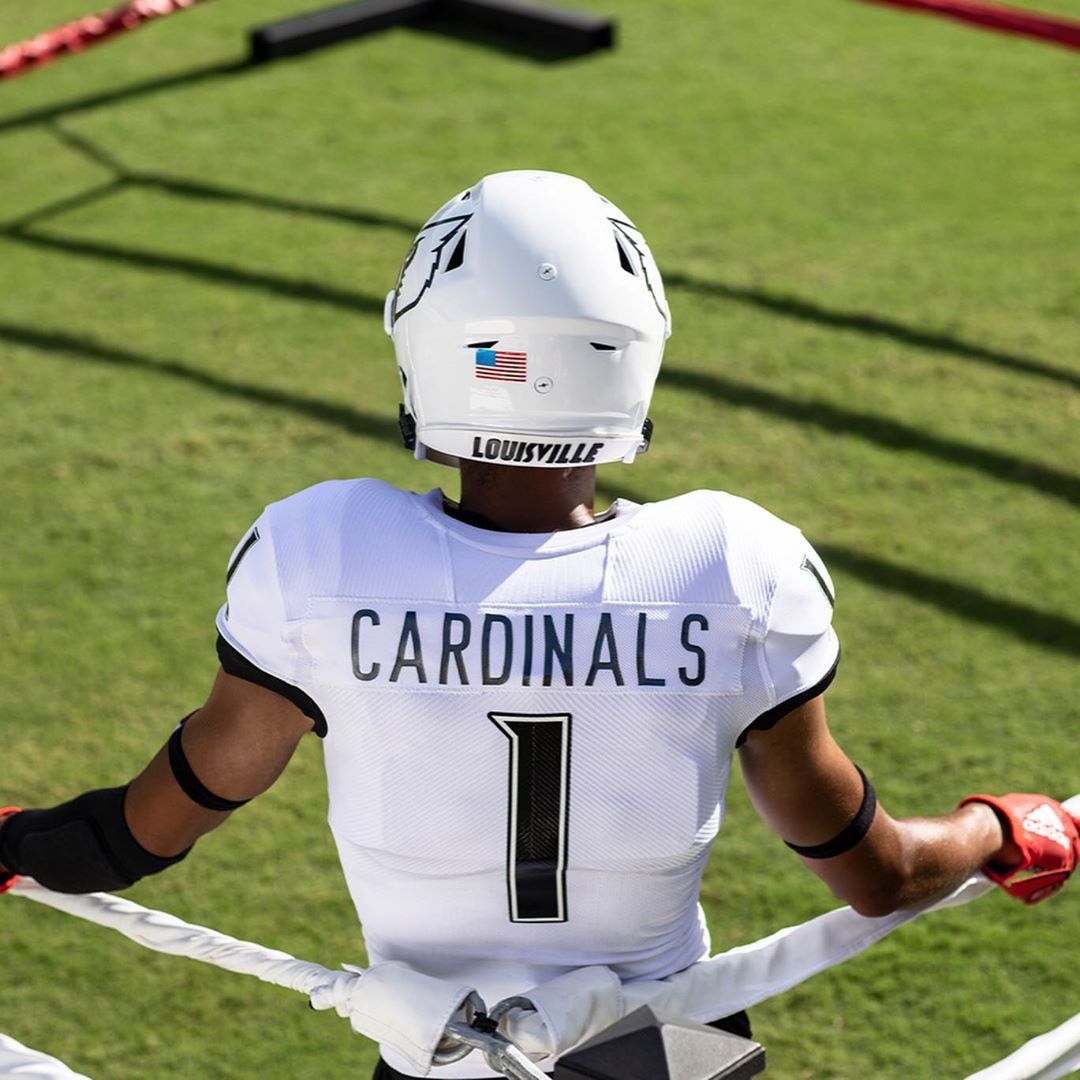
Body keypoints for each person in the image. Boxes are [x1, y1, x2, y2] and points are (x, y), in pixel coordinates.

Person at [1, 170, 1076, 1080]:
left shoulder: (317, 550)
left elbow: (144, 831)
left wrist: (17, 844)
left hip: (444, 1052)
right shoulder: (731, 563)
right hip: (675, 1040)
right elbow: (879, 875)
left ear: (429, 347)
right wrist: (1001, 827)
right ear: (632, 351)